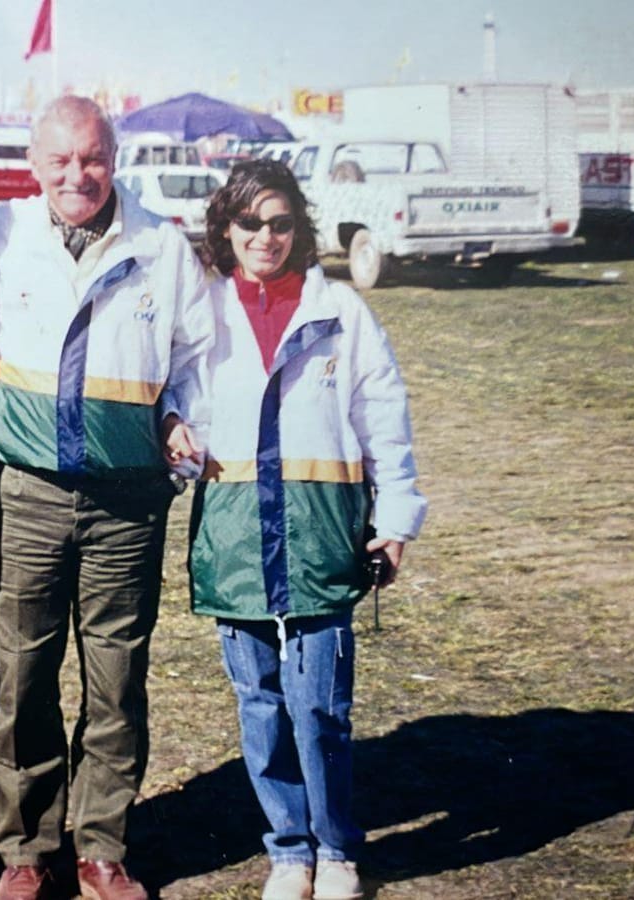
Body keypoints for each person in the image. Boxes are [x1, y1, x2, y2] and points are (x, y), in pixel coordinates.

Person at [0, 96, 214, 900]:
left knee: (116, 677)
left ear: (116, 159)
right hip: (27, 495)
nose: (79, 175)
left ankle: (102, 848)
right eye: (61, 160)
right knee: (23, 674)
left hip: (128, 504)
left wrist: (180, 413)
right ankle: (27, 852)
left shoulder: (164, 248)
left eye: (94, 158)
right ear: (34, 165)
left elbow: (197, 359)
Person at [188, 159, 427, 900]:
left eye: (281, 222)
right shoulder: (203, 312)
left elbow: (382, 417)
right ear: (226, 229)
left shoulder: (343, 313)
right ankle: (288, 849)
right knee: (258, 701)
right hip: (233, 533)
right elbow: (178, 405)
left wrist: (394, 518)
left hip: (322, 531)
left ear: (301, 227)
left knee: (319, 702)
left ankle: (336, 847)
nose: (266, 236)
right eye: (251, 223)